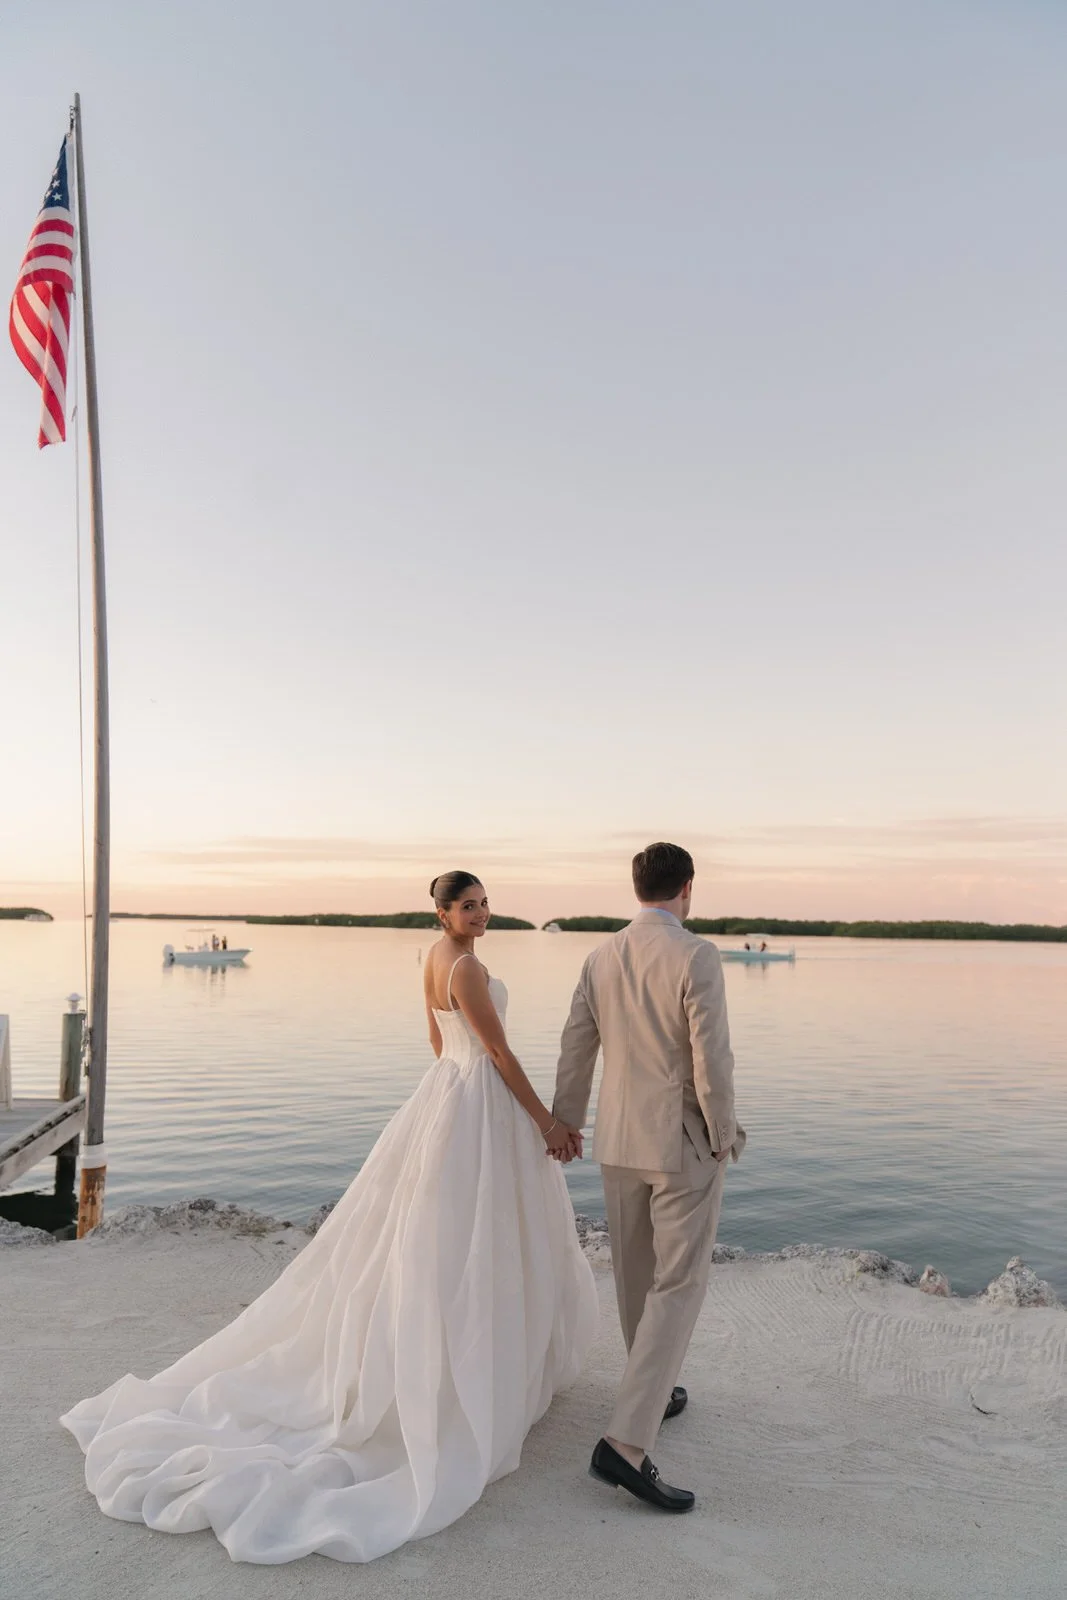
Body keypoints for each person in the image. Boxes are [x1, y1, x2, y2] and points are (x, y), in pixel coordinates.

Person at [61, 871, 597, 1564]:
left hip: (447, 1096)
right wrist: (546, 1120)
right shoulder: (463, 965)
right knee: (469, 1240)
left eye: (484, 904)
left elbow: (440, 1047)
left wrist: (460, 1092)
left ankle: (454, 1356)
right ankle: (460, 1370)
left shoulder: (430, 959)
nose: (480, 914)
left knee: (440, 1238)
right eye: (467, 906)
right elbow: (494, 1051)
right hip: (478, 1100)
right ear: (441, 913)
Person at [552, 841, 745, 1513]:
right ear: (687, 888)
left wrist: (566, 1120)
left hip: (617, 1139)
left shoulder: (599, 956)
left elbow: (575, 1045)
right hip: (680, 1141)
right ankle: (626, 1444)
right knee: (678, 1284)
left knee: (636, 1276)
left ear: (635, 887)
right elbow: (710, 1058)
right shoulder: (695, 954)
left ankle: (653, 1392)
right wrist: (723, 1133)